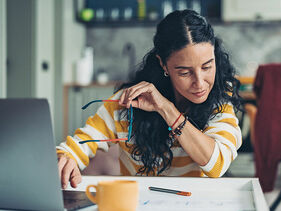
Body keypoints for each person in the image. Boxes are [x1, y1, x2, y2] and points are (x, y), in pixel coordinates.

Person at [56, 9, 242, 189]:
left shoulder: (220, 101)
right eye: (185, 72)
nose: (200, 83)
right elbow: (82, 142)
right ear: (163, 64)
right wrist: (67, 157)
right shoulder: (130, 101)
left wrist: (166, 108)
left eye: (207, 67)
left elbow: (216, 165)